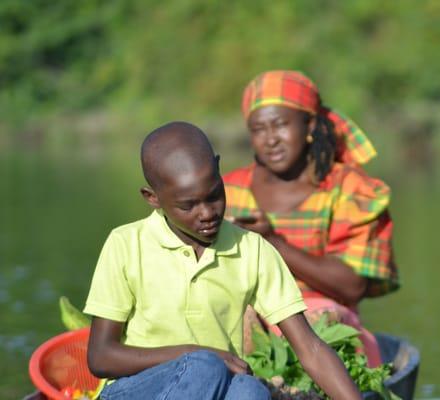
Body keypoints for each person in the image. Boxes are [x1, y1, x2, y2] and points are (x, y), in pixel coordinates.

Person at [83, 121, 362, 400]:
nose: (207, 213)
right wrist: (194, 354)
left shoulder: (252, 249)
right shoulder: (126, 244)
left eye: (214, 195)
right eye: (188, 205)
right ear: (152, 197)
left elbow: (310, 348)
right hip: (136, 392)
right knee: (206, 367)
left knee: (249, 389)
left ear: (218, 170)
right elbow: (101, 357)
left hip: (214, 387)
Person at [223, 70, 400, 367]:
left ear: (310, 124)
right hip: (244, 319)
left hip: (324, 323)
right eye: (258, 129)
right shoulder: (227, 190)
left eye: (280, 125)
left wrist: (273, 242)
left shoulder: (349, 189)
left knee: (321, 319)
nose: (270, 140)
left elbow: (352, 285)